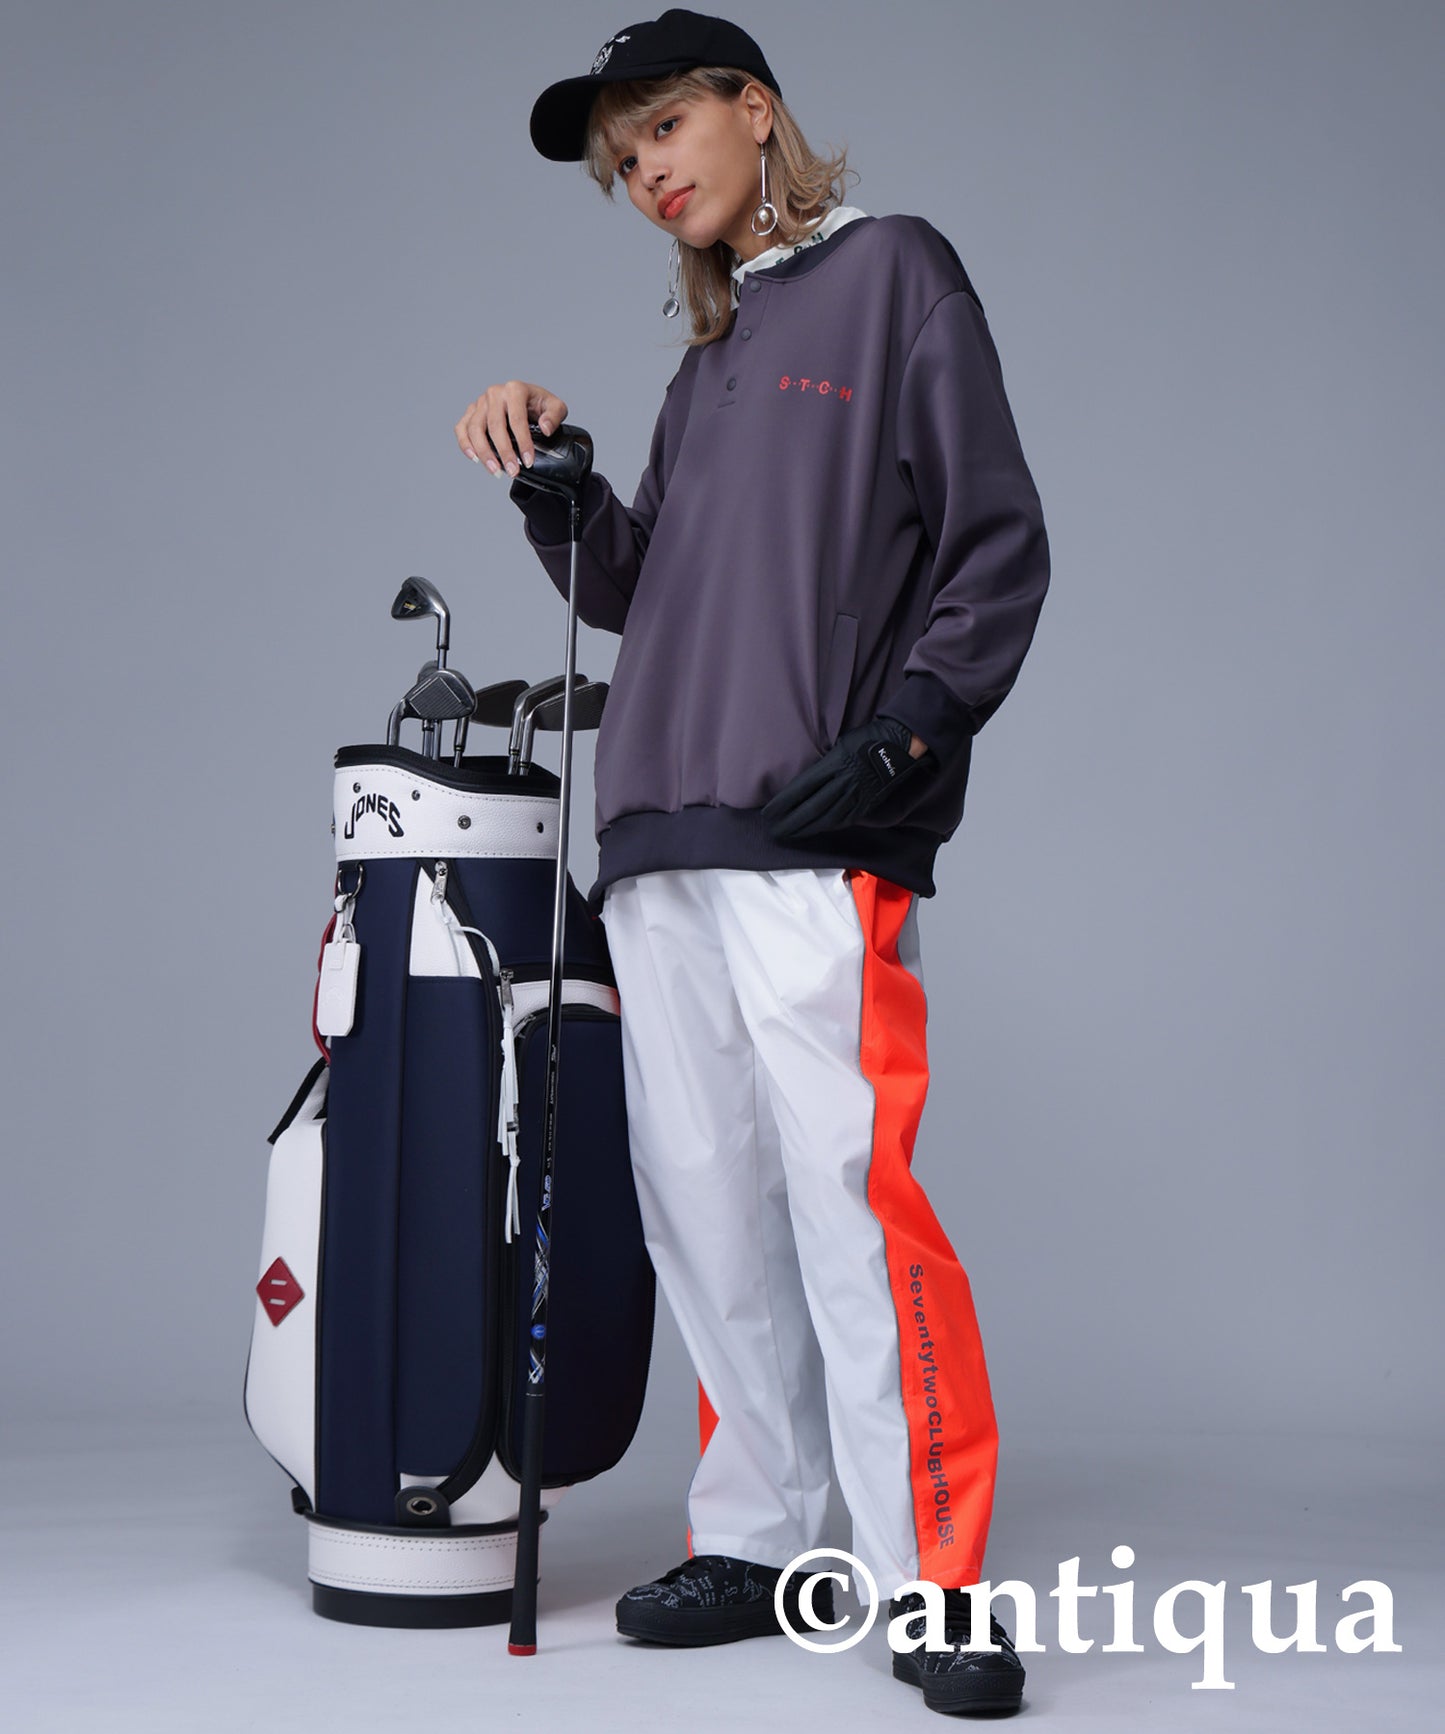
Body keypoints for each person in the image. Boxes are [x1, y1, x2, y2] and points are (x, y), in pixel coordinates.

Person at [454, 9, 1050, 1716]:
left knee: (853, 1206)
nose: (643, 170)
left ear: (753, 108)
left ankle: (933, 1583)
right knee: (703, 1211)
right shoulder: (707, 356)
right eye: (618, 158)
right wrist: (560, 493)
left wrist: (916, 730)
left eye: (661, 127)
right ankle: (761, 1534)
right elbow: (645, 592)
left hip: (810, 833)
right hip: (656, 836)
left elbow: (996, 538)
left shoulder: (895, 275)